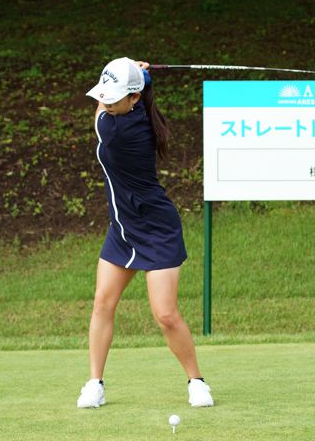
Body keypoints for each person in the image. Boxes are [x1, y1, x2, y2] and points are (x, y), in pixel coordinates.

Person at [77, 57, 213, 409]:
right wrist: (139, 75)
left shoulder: (118, 130)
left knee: (165, 314)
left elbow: (99, 115)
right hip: (123, 229)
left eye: (112, 98)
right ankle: (94, 383)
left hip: (156, 230)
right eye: (104, 95)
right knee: (102, 302)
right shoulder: (134, 107)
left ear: (134, 98)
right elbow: (119, 96)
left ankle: (197, 381)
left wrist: (139, 76)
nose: (105, 102)